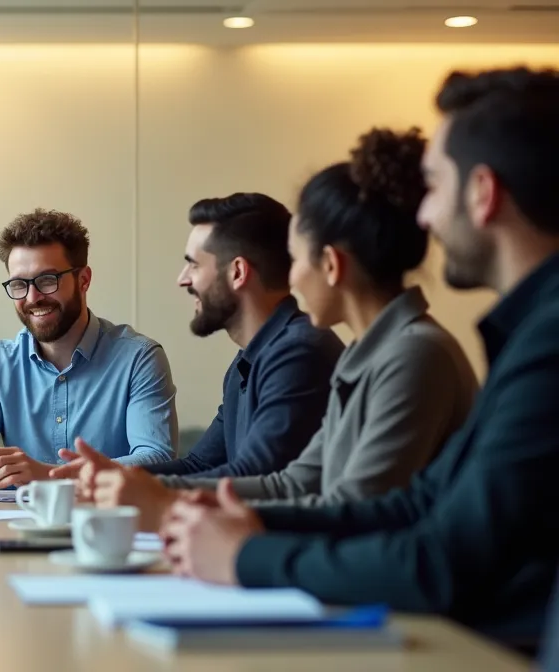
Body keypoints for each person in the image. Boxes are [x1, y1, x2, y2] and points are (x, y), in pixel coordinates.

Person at [159, 66, 559, 647]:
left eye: (435, 187)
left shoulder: (515, 346)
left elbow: (440, 556)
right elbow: (420, 503)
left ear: (483, 193)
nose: (423, 216)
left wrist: (248, 555)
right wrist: (246, 530)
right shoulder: (524, 335)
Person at [77, 128, 479, 531]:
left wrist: (174, 508)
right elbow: (297, 482)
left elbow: (353, 509)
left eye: (296, 258)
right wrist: (144, 489)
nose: (293, 277)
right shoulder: (367, 354)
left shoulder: (411, 355)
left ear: (332, 264)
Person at [0, 209, 179, 495]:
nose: (33, 298)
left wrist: (51, 476)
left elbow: (156, 458)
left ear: (83, 280)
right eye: (19, 284)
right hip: (18, 532)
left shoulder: (139, 358)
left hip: (112, 529)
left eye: (47, 280)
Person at [137, 194, 344, 479]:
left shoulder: (300, 353)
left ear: (237, 272)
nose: (183, 279)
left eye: (194, 265)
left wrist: (136, 489)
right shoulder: (245, 363)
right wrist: (112, 476)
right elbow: (199, 466)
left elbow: (255, 476)